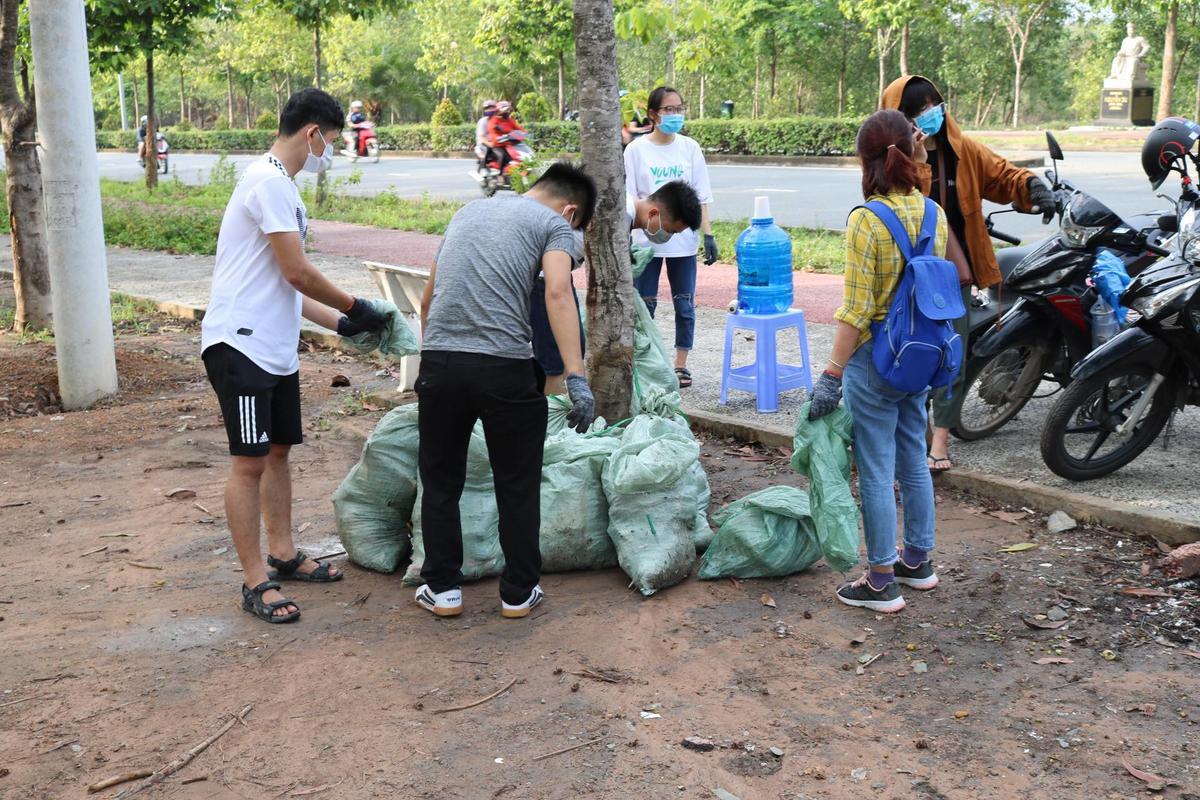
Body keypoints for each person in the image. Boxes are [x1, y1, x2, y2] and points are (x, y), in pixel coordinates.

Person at [200, 88, 391, 624]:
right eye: (328, 141)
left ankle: (282, 554)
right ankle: (254, 579)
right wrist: (360, 304)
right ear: (311, 133)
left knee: (279, 452)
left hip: (274, 347)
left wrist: (345, 323)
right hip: (240, 344)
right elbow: (297, 271)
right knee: (249, 462)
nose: (326, 151)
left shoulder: (279, 186)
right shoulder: (267, 182)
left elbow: (289, 287)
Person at [415, 163, 597, 619]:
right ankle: (517, 593)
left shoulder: (468, 211)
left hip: (441, 361)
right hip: (505, 367)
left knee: (440, 480)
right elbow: (558, 293)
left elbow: (428, 298)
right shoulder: (556, 226)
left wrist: (436, 362)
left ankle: (442, 590)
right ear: (572, 212)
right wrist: (576, 376)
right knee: (516, 483)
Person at [807, 109, 947, 614]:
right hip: (921, 355)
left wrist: (832, 373)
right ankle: (918, 562)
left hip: (875, 360)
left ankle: (881, 578)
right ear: (908, 153)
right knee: (913, 456)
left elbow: (858, 308)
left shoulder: (866, 220)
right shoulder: (933, 212)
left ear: (866, 162)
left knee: (874, 465)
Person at [881, 75, 1054, 472]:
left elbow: (1005, 175)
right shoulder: (892, 158)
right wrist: (916, 159)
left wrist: (1035, 187)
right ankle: (906, 433)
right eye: (919, 111)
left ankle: (939, 442)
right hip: (902, 277)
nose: (931, 115)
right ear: (901, 118)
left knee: (950, 356)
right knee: (900, 355)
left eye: (935, 105)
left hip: (951, 277)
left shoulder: (966, 152)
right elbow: (893, 203)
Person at [530, 179, 704, 395]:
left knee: (573, 348)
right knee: (555, 360)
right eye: (669, 230)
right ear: (653, 214)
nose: (666, 237)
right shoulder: (618, 215)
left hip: (556, 274)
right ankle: (552, 421)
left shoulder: (622, 210)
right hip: (543, 277)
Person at [624, 86, 717, 389]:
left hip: (683, 244)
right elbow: (628, 197)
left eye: (679, 109)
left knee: (685, 305)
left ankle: (680, 365)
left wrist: (708, 234)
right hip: (646, 242)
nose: (675, 114)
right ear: (652, 114)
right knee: (645, 304)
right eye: (669, 109)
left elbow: (701, 195)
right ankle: (647, 362)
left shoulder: (690, 148)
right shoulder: (636, 151)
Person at [486, 100, 525, 175]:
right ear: (499, 111)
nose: (507, 112)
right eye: (505, 110)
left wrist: (524, 134)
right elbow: (494, 135)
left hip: (510, 144)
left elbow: (518, 128)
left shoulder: (509, 120)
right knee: (502, 156)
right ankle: (500, 175)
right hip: (498, 145)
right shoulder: (493, 121)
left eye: (508, 110)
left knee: (520, 158)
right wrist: (501, 138)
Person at [475, 99, 497, 172]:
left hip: (497, 142)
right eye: (487, 108)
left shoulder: (498, 120)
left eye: (492, 107)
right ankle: (483, 167)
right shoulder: (483, 121)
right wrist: (490, 144)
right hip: (484, 144)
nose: (490, 110)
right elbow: (481, 137)